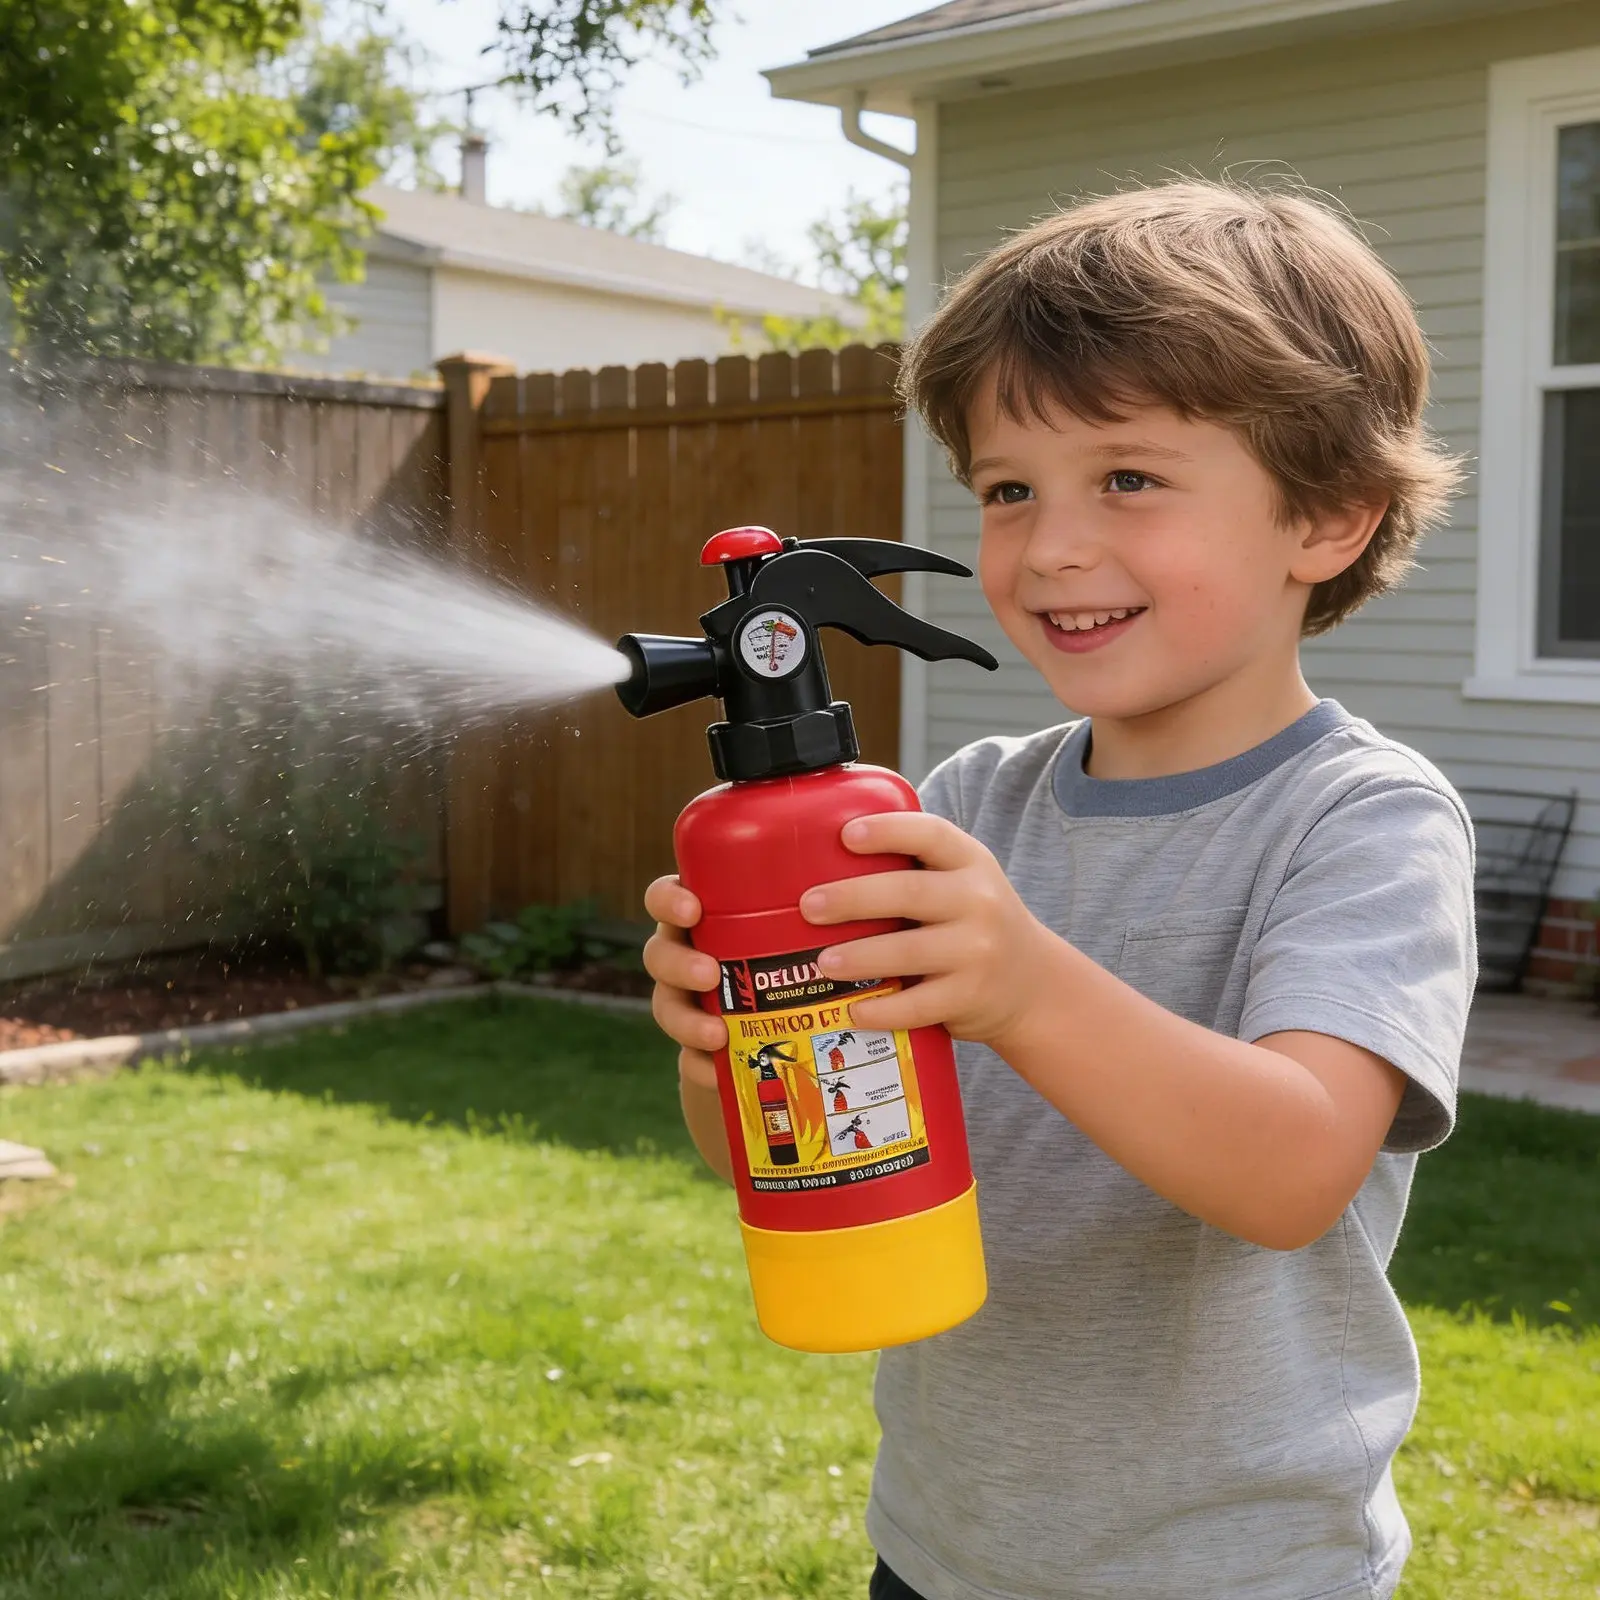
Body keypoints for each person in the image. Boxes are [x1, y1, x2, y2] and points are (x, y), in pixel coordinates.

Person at [642, 179, 1477, 1600]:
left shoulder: (1360, 821)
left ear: (1328, 517)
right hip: (946, 1547)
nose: (1051, 547)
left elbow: (1292, 1174)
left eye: (1130, 479)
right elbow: (779, 1159)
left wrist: (1024, 986)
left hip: (1237, 1571)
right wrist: (729, 1042)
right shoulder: (957, 809)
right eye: (1009, 490)